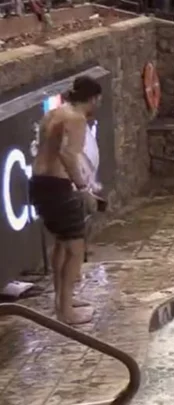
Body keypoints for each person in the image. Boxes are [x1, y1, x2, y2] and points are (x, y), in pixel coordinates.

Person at [29, 76, 103, 325]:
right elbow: (67, 154)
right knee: (75, 249)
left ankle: (63, 301)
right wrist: (83, 188)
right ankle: (66, 313)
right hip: (56, 186)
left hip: (40, 183)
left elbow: (47, 148)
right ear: (93, 98)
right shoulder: (76, 119)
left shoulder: (55, 113)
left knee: (62, 244)